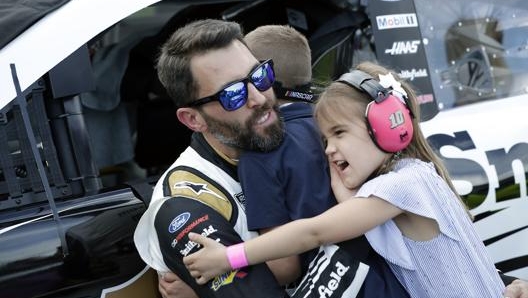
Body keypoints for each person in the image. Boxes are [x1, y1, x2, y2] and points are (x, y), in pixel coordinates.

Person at [182, 61, 508, 297]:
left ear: (387, 125)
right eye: (325, 140)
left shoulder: (399, 186)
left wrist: (228, 257)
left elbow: (314, 231)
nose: (330, 149)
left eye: (339, 133)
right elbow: (359, 217)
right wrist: (343, 183)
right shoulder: (414, 176)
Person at [239, 25, 410, 298]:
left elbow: (285, 267)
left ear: (263, 77)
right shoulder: (344, 126)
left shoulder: (259, 154)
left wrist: (227, 269)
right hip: (395, 281)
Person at [133, 18, 289, 298]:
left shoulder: (314, 129)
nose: (259, 97)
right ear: (193, 119)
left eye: (259, 75)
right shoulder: (185, 198)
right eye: (232, 94)